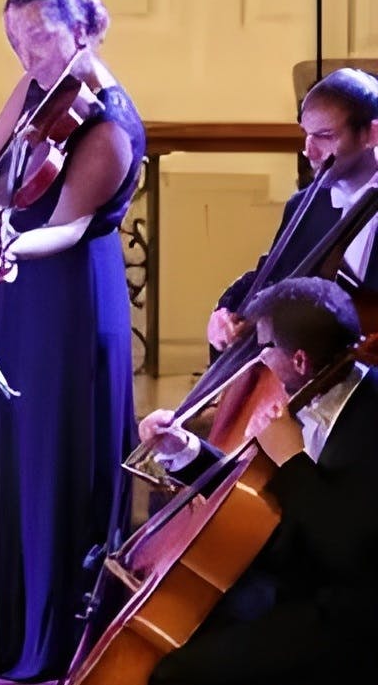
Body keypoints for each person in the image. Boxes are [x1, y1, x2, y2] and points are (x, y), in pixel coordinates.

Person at [0, 0, 144, 679]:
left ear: (82, 29)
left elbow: (68, 229)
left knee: (46, 449)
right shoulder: (33, 96)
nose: (28, 54)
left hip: (67, 301)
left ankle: (44, 629)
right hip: (14, 288)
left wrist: (8, 239)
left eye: (41, 36)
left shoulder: (106, 123)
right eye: (16, 40)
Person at [138, 276, 378, 685]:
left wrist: (291, 459)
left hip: (346, 616)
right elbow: (251, 492)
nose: (260, 359)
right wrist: (182, 449)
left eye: (266, 348)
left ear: (300, 359)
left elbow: (347, 551)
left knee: (175, 674)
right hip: (286, 584)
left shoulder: (370, 419)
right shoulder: (310, 387)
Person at [207, 67, 378, 355]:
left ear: (371, 134)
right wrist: (225, 314)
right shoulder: (305, 205)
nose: (309, 151)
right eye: (306, 135)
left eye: (324, 136)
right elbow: (273, 278)